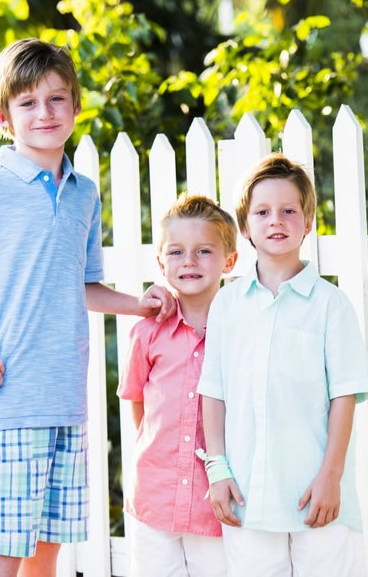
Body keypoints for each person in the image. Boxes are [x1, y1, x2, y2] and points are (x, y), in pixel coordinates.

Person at [0, 38, 175, 577]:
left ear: (75, 106)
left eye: (56, 100)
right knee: (4, 556)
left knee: (46, 554)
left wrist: (137, 307)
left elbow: (82, 286)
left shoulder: (83, 194)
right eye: (27, 103)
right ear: (4, 116)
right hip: (10, 404)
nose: (44, 113)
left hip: (66, 401)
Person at [197, 154, 368, 576]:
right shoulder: (226, 304)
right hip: (248, 499)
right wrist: (217, 469)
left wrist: (330, 477)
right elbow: (214, 391)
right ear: (245, 227)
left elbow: (344, 397)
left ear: (308, 221)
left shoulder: (331, 305)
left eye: (289, 210)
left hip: (317, 495)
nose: (276, 220)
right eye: (262, 212)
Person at [117, 195, 239, 577]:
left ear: (229, 261)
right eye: (176, 252)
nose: (189, 261)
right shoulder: (147, 333)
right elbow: (137, 402)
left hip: (215, 503)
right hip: (155, 495)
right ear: (160, 263)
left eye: (204, 251)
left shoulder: (239, 331)